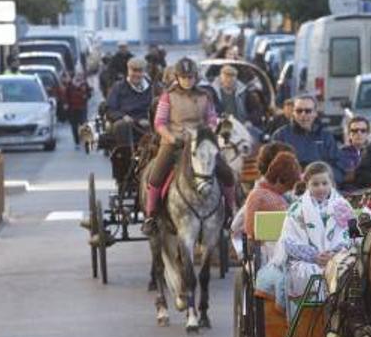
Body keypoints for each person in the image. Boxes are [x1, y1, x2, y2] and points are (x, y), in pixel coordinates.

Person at [142, 56, 235, 235]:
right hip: (174, 142)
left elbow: (212, 118)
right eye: (183, 77)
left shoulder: (204, 96)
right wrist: (170, 138)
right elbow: (159, 123)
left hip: (201, 143)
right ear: (177, 77)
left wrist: (209, 131)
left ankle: (230, 212)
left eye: (190, 77)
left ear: (195, 77)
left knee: (227, 173)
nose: (187, 80)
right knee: (156, 175)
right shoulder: (167, 97)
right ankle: (151, 216)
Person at [255, 161, 355, 315]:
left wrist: (334, 255)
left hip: (338, 259)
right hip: (306, 260)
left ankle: (340, 318)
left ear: (331, 183)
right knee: (309, 274)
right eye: (315, 184)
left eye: (324, 183)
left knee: (347, 274)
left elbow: (351, 235)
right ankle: (307, 319)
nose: (320, 188)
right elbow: (290, 240)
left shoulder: (343, 206)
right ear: (307, 184)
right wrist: (314, 256)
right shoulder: (297, 208)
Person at [271, 96, 344, 180]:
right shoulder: (280, 136)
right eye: (299, 111)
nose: (303, 114)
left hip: (323, 186)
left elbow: (338, 166)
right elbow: (273, 168)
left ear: (315, 113)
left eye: (308, 111)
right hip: (292, 187)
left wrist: (324, 179)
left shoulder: (326, 136)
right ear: (293, 113)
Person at [241, 150, 301, 241]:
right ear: (278, 180)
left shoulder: (281, 195)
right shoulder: (257, 195)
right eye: (287, 187)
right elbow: (250, 231)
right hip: (268, 246)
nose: (287, 191)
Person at [105, 57, 156, 147]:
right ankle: (127, 157)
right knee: (120, 126)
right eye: (134, 71)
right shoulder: (118, 87)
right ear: (128, 70)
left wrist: (150, 120)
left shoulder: (152, 88)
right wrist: (123, 116)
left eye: (140, 71)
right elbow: (110, 110)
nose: (136, 74)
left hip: (147, 123)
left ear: (144, 72)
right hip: (127, 124)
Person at [337, 115, 371, 192]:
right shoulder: (339, 154)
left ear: (367, 134)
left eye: (363, 130)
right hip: (349, 194)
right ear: (349, 134)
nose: (359, 133)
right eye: (355, 130)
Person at [64, 73, 90, 144]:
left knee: (84, 123)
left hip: (82, 107)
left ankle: (86, 140)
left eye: (80, 76)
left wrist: (86, 96)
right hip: (73, 108)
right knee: (74, 125)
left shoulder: (84, 84)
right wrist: (66, 104)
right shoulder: (70, 86)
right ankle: (77, 141)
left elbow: (89, 93)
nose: (78, 78)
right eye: (77, 76)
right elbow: (66, 95)